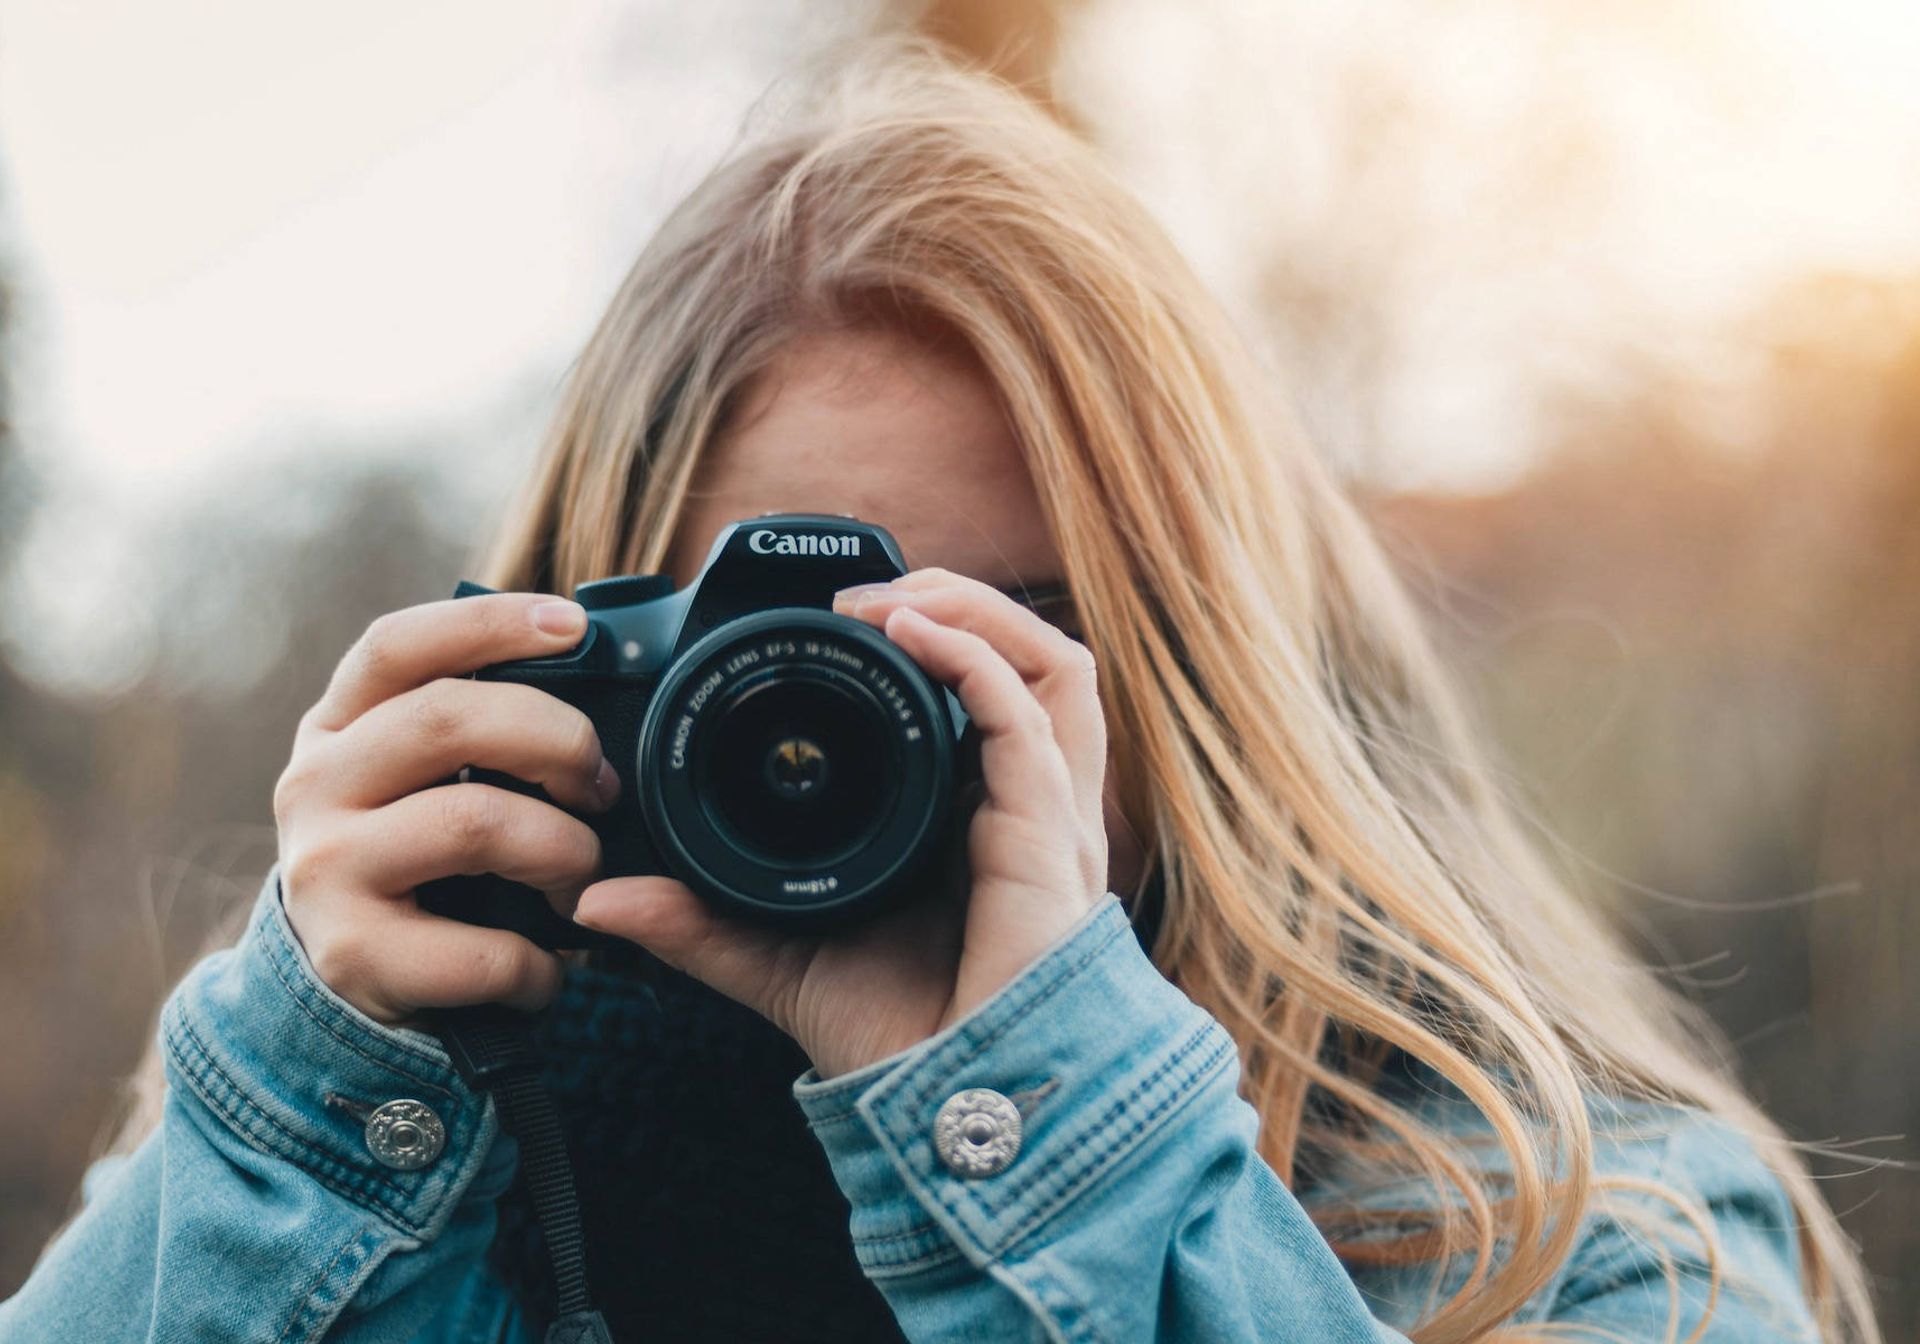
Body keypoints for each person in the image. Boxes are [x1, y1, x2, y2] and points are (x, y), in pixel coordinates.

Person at [0, 40, 1881, 1344]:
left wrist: (1034, 1116)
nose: (870, 726)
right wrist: (308, 1117)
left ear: (1214, 671)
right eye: (764, 656)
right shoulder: (396, 1131)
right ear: (582, 652)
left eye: (1013, 638)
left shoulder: (1569, 1224)